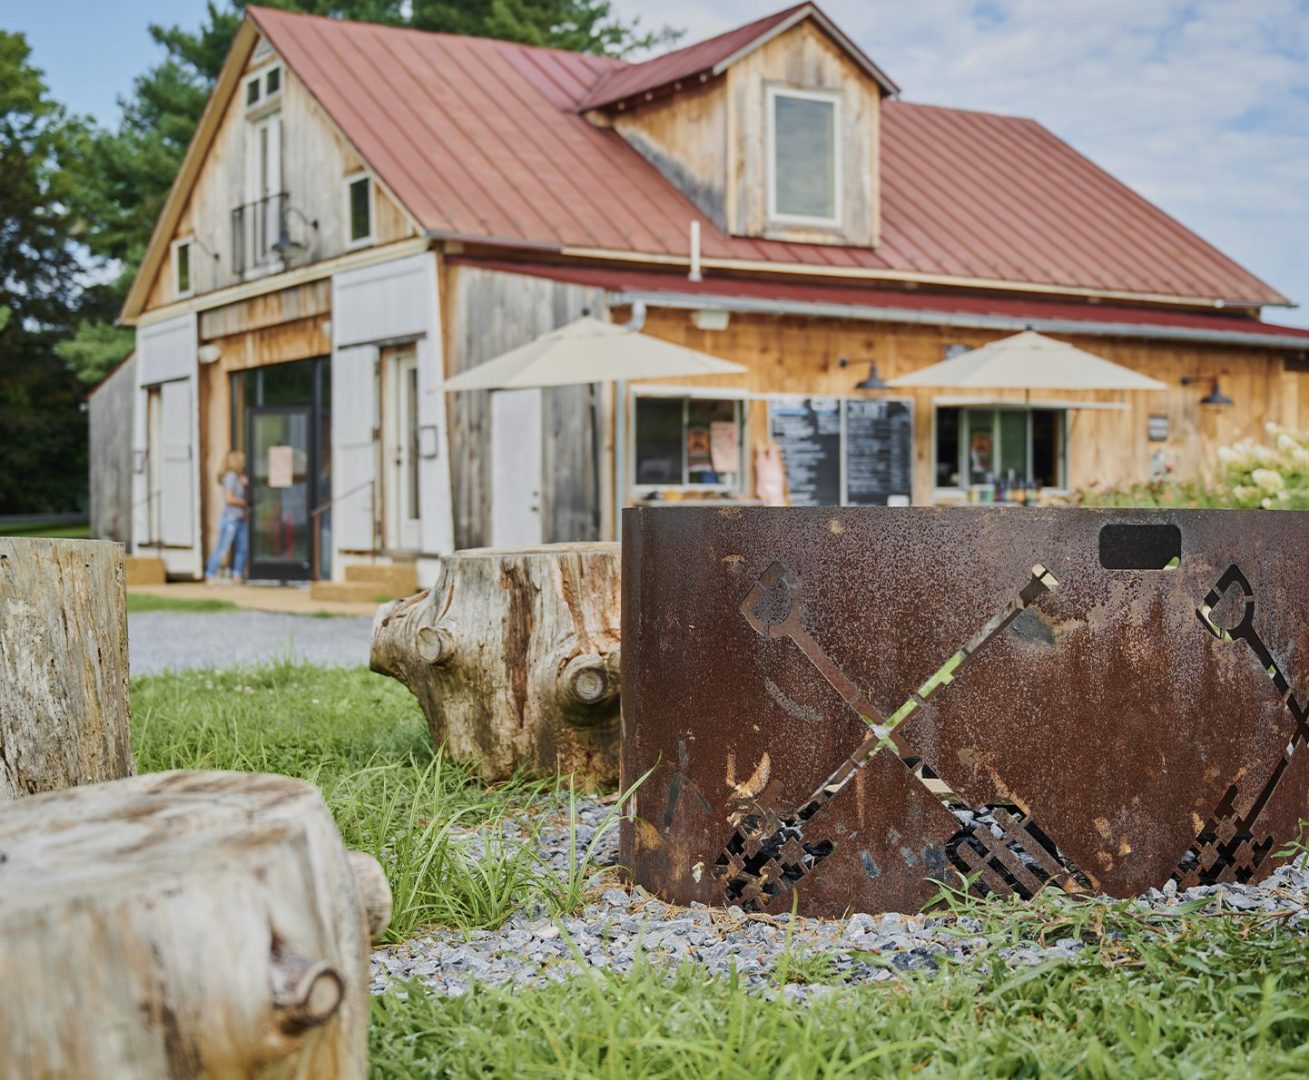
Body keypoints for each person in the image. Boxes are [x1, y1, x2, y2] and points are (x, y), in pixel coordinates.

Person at [205, 451, 249, 584]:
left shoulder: (237, 477)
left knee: (243, 547)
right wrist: (244, 503)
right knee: (222, 547)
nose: (244, 463)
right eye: (242, 460)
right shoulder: (230, 476)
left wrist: (244, 484)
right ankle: (210, 574)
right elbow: (229, 498)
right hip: (231, 518)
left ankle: (237, 575)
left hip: (240, 518)